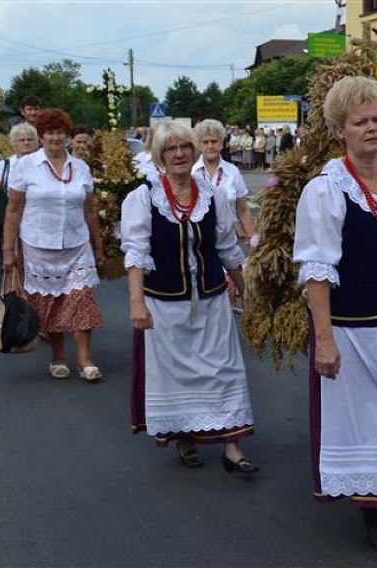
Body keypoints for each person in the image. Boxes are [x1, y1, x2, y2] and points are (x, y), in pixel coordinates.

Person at [293, 75, 377, 553]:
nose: (372, 128)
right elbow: (317, 269)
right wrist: (324, 340)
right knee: (364, 419)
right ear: (339, 132)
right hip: (352, 330)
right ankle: (371, 510)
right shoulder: (325, 190)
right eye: (360, 122)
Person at [121, 120, 257, 473]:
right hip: (164, 305)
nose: (179, 153)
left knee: (225, 371)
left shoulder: (214, 196)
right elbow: (135, 253)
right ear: (160, 156)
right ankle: (186, 438)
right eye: (171, 148)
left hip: (212, 299)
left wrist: (248, 294)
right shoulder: (143, 198)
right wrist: (137, 304)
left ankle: (233, 447)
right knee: (177, 377)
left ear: (194, 151)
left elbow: (228, 249)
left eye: (185, 147)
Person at [1, 109, 104, 381]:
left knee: (82, 299)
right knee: (50, 303)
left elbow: (90, 211)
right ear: (41, 135)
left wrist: (98, 247)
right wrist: (8, 251)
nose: (56, 138)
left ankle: (85, 359)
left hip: (77, 244)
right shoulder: (26, 166)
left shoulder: (80, 167)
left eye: (61, 133)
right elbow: (13, 210)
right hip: (37, 246)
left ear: (67, 137)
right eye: (50, 133)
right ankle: (58, 356)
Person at [0, 123, 39, 265]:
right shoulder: (4, 166)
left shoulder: (45, 164)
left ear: (37, 142)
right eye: (21, 140)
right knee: (9, 264)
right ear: (13, 143)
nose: (26, 143)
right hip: (10, 224)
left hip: (37, 223)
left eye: (30, 139)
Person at [192, 119, 256, 242]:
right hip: (198, 245)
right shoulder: (191, 173)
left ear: (221, 143)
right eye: (205, 142)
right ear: (199, 145)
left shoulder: (233, 172)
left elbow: (243, 209)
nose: (210, 146)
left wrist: (252, 238)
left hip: (229, 242)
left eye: (214, 141)